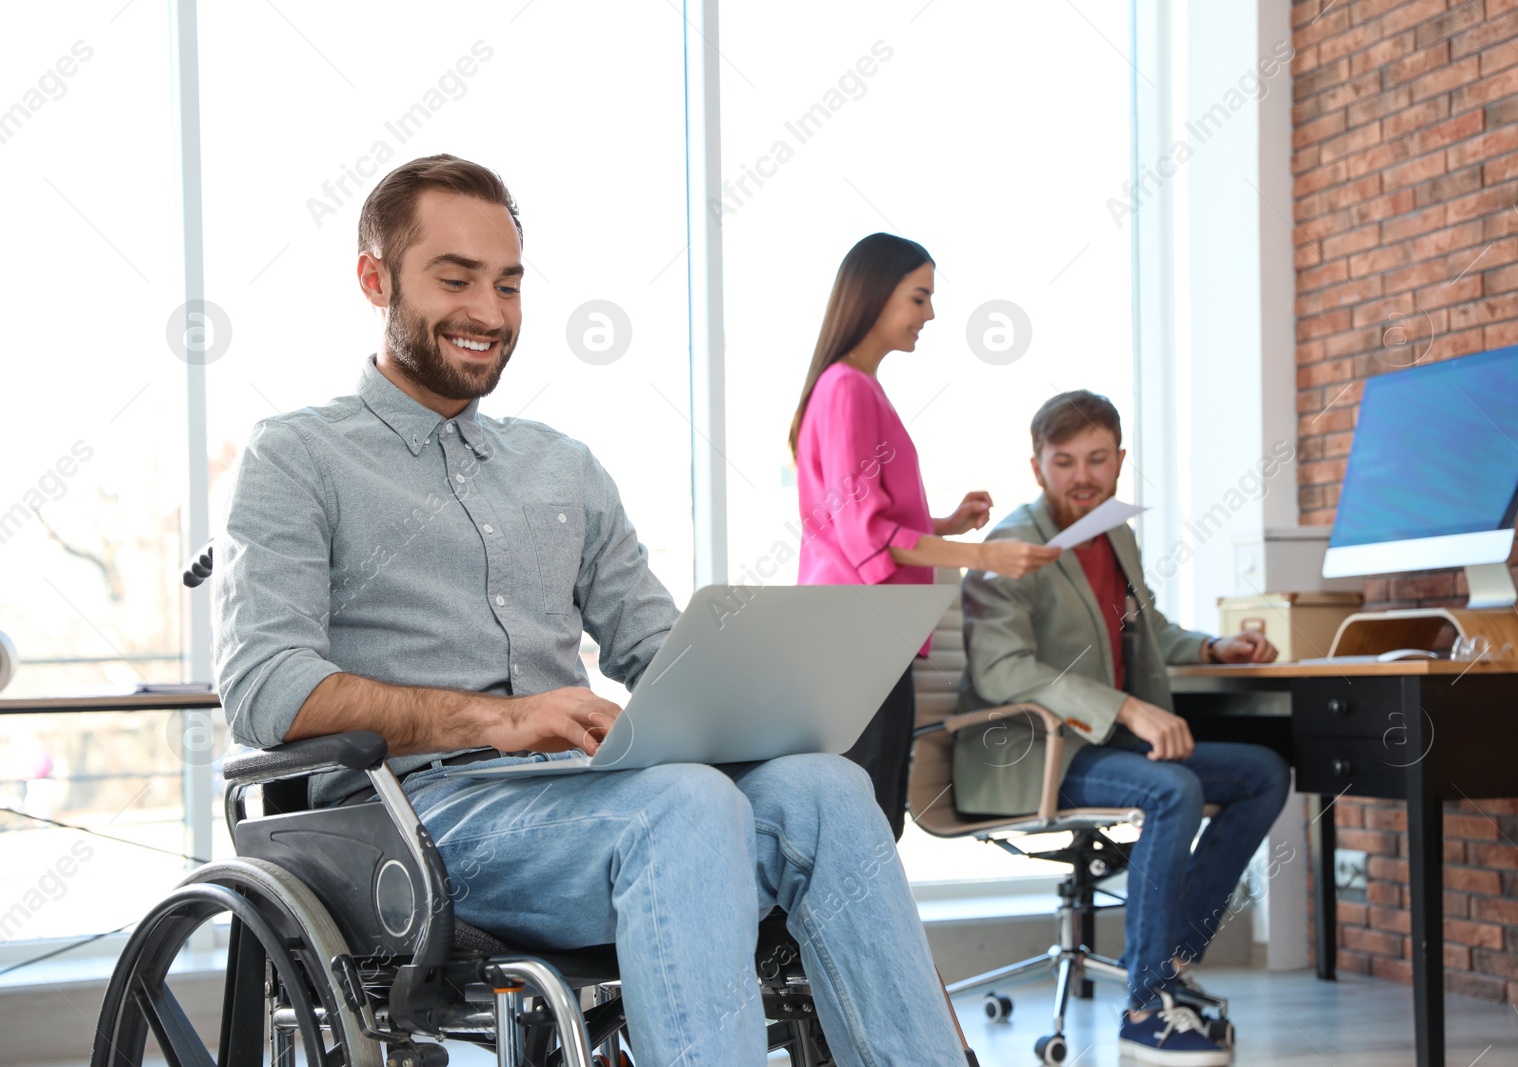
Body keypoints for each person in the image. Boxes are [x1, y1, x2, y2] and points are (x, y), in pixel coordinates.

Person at [212, 155, 969, 1067]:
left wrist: (774, 690)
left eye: (508, 283)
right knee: (685, 804)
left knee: (828, 790)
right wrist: (498, 719)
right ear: (375, 279)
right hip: (412, 823)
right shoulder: (297, 456)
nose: (489, 313)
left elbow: (655, 647)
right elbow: (264, 687)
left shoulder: (561, 466)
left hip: (590, 797)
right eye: (454, 279)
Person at [953, 390, 1290, 1066]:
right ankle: (1143, 1007)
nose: (1083, 475)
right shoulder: (1015, 543)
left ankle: (1166, 961)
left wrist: (1211, 647)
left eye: (1098, 459)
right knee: (1172, 789)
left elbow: (1146, 626)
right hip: (1033, 751)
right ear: (1037, 466)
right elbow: (1001, 668)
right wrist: (1127, 708)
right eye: (1065, 460)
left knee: (1262, 773)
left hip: (1097, 743)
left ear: (1120, 460)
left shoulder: (1113, 532)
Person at [790, 233, 1060, 838]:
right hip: (856, 639)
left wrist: (944, 525)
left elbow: (857, 522)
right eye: (920, 297)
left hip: (868, 636)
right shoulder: (847, 389)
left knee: (874, 818)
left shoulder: (854, 387)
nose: (930, 314)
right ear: (876, 295)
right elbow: (872, 539)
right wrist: (985, 553)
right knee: (865, 825)